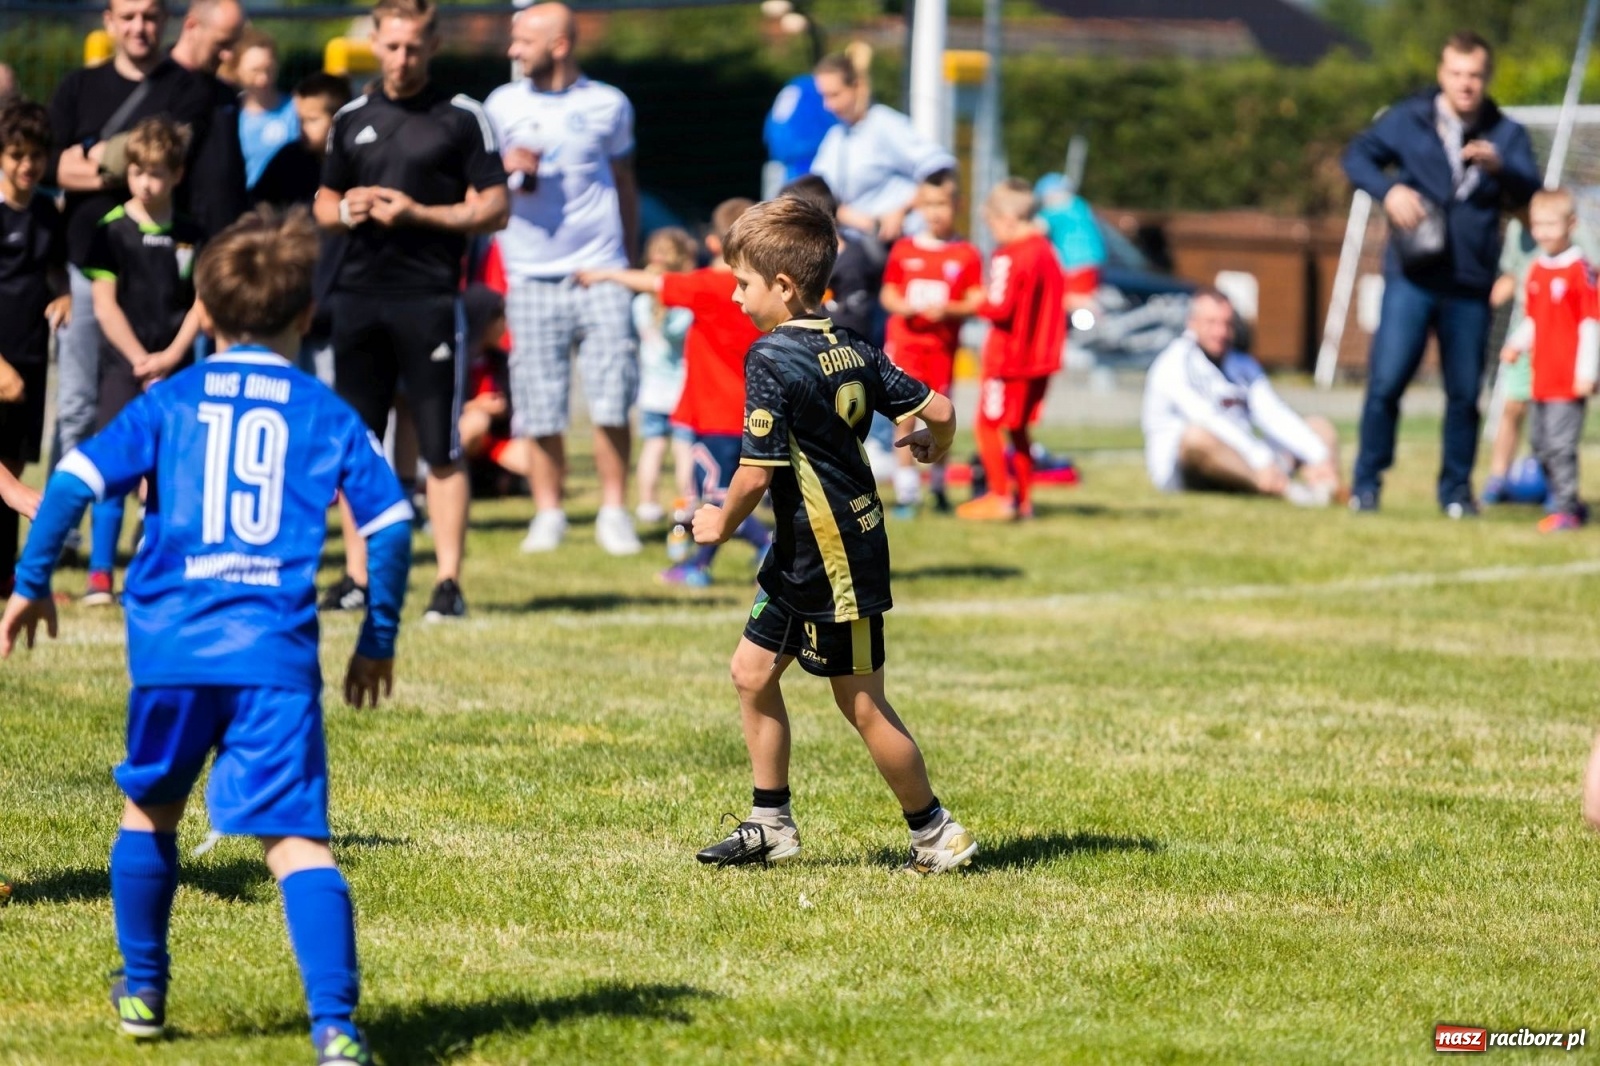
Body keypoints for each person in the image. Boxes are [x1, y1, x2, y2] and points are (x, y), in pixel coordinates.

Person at [0, 206, 412, 1066]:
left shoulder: (170, 401)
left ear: (206, 310)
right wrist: (376, 636)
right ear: (306, 316)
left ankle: (143, 991)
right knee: (296, 842)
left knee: (149, 811)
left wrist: (31, 584)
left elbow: (73, 480)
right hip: (274, 656)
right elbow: (393, 525)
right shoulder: (324, 411)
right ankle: (335, 1027)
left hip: (172, 651)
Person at [689, 195, 975, 874]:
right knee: (750, 672)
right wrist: (932, 442)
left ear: (783, 288)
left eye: (743, 284)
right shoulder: (850, 342)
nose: (735, 297)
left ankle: (936, 833)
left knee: (861, 700)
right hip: (801, 549)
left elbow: (754, 477)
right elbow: (939, 407)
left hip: (834, 554)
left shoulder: (771, 357)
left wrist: (716, 526)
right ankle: (771, 824)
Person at [314, 0, 510, 621]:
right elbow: (321, 202)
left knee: (440, 445)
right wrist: (350, 209)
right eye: (392, 46)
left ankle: (447, 583)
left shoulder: (462, 117)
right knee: (358, 446)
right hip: (356, 298)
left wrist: (418, 213)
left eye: (414, 48)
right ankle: (356, 576)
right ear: (375, 41)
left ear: (433, 46)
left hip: (428, 299)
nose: (402, 59)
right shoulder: (349, 117)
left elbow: (496, 207)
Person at [1342, 30, 1540, 516]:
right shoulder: (1409, 118)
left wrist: (1500, 167)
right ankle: (1366, 484)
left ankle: (1455, 492)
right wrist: (1388, 192)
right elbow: (1356, 157)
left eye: (1474, 75)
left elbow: (1532, 190)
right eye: (1456, 73)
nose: (1465, 84)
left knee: (1464, 392)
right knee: (1386, 381)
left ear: (1486, 78)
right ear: (1441, 74)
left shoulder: (1506, 132)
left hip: (1469, 283)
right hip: (1412, 273)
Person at [46, 0, 212, 557]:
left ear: (165, 22)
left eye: (150, 16)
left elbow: (85, 165)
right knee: (76, 407)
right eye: (129, 15)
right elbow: (52, 166)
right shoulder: (77, 87)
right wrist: (100, 160)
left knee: (162, 427)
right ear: (109, 22)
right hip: (83, 269)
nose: (140, 26)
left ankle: (147, 541)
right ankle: (65, 529)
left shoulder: (185, 88)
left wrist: (91, 157)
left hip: (160, 284)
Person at [484, 2, 642, 556]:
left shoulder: (608, 104)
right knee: (540, 400)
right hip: (528, 274)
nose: (512, 50)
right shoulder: (500, 105)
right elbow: (481, 190)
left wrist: (628, 260)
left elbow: (623, 180)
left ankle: (614, 511)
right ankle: (548, 512)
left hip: (599, 270)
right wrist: (505, 168)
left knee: (610, 396)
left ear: (558, 44)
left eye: (523, 39)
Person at [579, 199, 772, 588]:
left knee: (714, 496)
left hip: (716, 414)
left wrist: (603, 275)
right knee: (726, 490)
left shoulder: (710, 285)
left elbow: (653, 283)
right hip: (755, 410)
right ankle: (701, 565)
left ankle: (763, 543)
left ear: (715, 244)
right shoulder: (765, 293)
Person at [82, 117, 205, 605]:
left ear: (177, 174)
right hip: (123, 367)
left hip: (175, 368)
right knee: (115, 464)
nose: (146, 183)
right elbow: (104, 304)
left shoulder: (193, 232)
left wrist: (171, 356)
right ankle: (98, 573)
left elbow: (202, 302)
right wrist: (140, 359)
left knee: (169, 471)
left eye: (156, 173)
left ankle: (153, 569)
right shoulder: (110, 230)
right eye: (137, 172)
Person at [1143, 288, 1342, 504]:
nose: (1220, 332)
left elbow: (1272, 413)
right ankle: (1279, 489)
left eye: (1227, 324)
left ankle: (1325, 489)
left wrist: (1317, 456)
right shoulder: (1173, 365)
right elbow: (1208, 419)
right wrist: (1260, 459)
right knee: (1196, 437)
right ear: (1192, 323)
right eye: (1211, 323)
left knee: (1319, 428)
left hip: (1246, 458)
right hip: (1191, 468)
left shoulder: (1242, 364)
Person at [957, 179, 1065, 522]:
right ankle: (1025, 501)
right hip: (1040, 359)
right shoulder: (1048, 251)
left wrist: (976, 300)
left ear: (1007, 218)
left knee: (987, 425)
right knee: (1018, 429)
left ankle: (1000, 496)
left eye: (991, 224)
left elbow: (1000, 308)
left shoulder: (1008, 256)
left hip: (1008, 359)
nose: (992, 233)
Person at [879, 169, 982, 515]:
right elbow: (889, 293)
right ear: (919, 207)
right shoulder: (905, 249)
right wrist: (903, 306)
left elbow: (976, 299)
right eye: (929, 204)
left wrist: (949, 309)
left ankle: (938, 488)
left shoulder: (966, 253)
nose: (936, 211)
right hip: (906, 348)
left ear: (958, 205)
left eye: (943, 204)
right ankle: (907, 493)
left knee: (941, 418)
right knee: (904, 417)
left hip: (942, 350)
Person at [1497, 188, 1598, 533]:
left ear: (1570, 224)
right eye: (1537, 225)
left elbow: (1590, 325)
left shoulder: (1581, 271)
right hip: (1540, 378)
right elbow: (1534, 319)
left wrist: (1587, 372)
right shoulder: (1538, 269)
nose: (1542, 232)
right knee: (1540, 445)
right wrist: (1516, 344)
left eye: (1550, 224)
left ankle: (1566, 507)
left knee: (1560, 445)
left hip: (1568, 380)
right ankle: (1569, 503)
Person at [0, 101, 69, 597]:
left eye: (36, 156)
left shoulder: (48, 212)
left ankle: (7, 573)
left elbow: (54, 273)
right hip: (2, 361)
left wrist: (63, 294)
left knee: (16, 465)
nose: (27, 165)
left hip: (30, 356)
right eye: (16, 154)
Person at [250, 73, 353, 386]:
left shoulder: (359, 165)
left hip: (339, 314)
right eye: (298, 119)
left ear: (337, 120)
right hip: (292, 306)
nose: (300, 128)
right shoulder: (288, 161)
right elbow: (258, 214)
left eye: (310, 120)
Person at [808, 47, 956, 242]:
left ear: (858, 87)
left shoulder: (885, 125)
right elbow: (818, 190)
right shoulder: (836, 136)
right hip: (853, 242)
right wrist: (845, 215)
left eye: (835, 95)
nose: (828, 105)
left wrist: (901, 211)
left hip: (895, 242)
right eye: (823, 97)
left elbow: (938, 167)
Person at [166, 0, 248, 241]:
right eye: (221, 44)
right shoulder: (160, 84)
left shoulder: (225, 93)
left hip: (222, 239)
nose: (228, 55)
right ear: (191, 26)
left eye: (233, 44)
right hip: (174, 239)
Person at [630, 226, 696, 525]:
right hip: (682, 391)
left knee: (652, 449)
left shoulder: (639, 304)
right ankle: (686, 506)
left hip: (651, 392)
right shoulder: (685, 309)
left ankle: (647, 504)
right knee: (685, 452)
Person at [459, 283, 531, 495]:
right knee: (476, 422)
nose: (504, 323)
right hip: (466, 436)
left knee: (544, 461)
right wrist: (475, 406)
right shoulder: (455, 362)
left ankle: (497, 482)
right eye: (498, 316)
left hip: (495, 441)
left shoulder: (501, 362)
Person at [234, 29, 299, 190]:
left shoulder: (295, 110)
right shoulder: (230, 113)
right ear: (237, 69)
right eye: (255, 71)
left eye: (268, 70)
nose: (263, 79)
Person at [1034, 172, 1105, 313]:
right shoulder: (1079, 205)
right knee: (1078, 297)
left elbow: (1034, 229)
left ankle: (1094, 318)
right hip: (1092, 261)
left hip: (1073, 264)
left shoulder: (1055, 211)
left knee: (1069, 299)